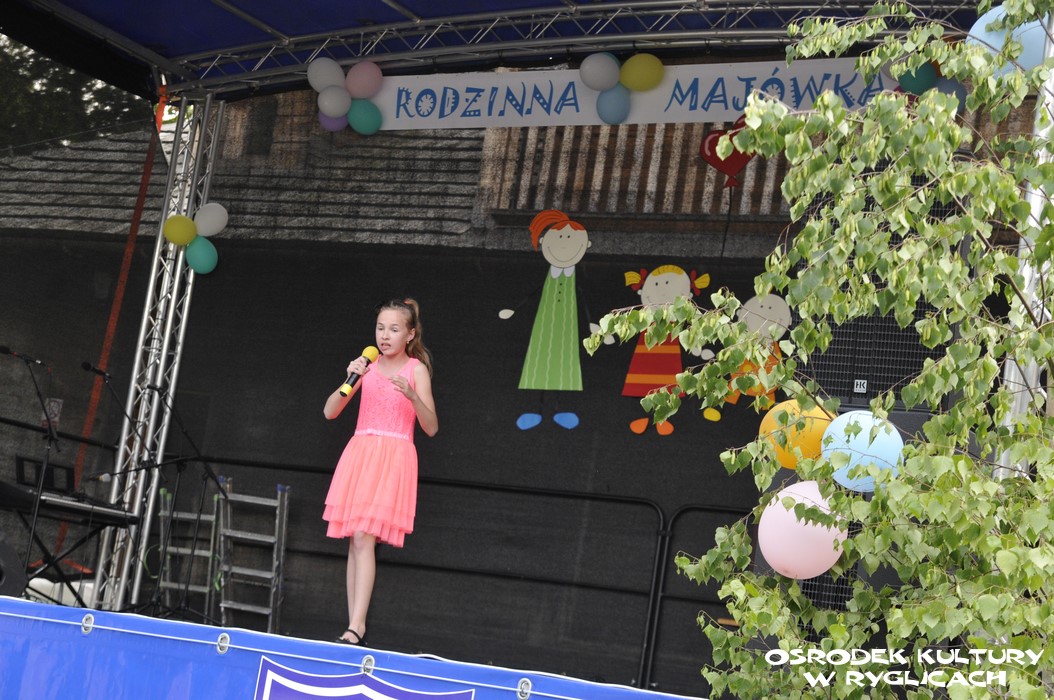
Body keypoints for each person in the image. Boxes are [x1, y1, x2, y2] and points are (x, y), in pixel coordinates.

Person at [322, 298, 438, 646]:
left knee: (363, 536)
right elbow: (330, 411)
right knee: (356, 539)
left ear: (410, 334)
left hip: (393, 456)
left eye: (394, 329)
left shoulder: (416, 370)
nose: (385, 336)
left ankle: (356, 626)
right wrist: (351, 376)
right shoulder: (367, 366)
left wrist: (412, 396)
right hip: (361, 453)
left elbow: (431, 427)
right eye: (380, 328)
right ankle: (353, 624)